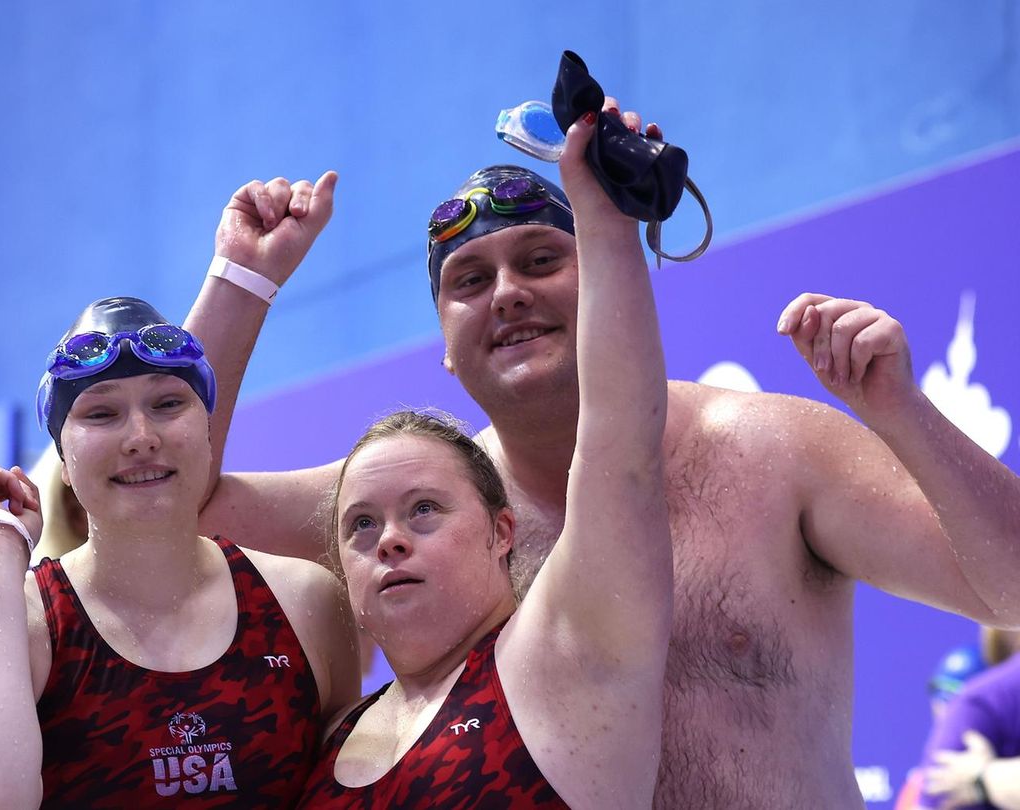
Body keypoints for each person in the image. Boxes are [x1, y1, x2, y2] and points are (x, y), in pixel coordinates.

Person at [184, 99, 1020, 807]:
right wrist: (242, 281)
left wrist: (903, 413)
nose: (507, 293)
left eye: (541, 260)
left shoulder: (772, 450)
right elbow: (174, 499)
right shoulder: (427, 505)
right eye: (469, 282)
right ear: (444, 342)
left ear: (609, 280)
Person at [293, 103, 670, 807]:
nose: (391, 541)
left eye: (425, 510)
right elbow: (177, 497)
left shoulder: (562, 662)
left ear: (503, 531)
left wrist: (608, 220)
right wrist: (244, 279)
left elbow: (623, 454)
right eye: (360, 527)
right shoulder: (333, 740)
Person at [0, 294, 360, 807]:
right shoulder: (14, 625)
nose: (141, 438)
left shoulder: (306, 603)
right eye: (101, 413)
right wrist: (0, 545)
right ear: (62, 452)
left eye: (169, 404)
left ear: (208, 427)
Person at [918, 629, 1020, 809]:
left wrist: (986, 778)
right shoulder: (981, 705)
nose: (941, 706)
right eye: (939, 692)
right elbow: (937, 795)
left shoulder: (981, 702)